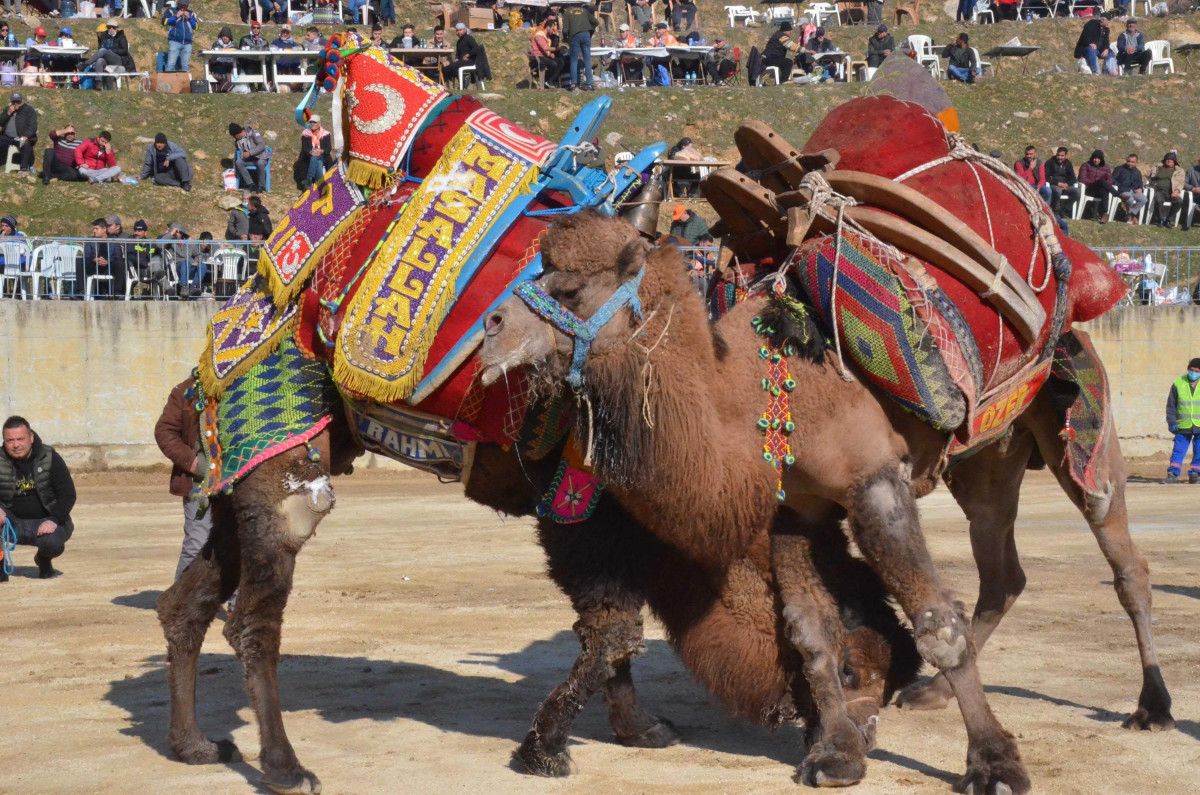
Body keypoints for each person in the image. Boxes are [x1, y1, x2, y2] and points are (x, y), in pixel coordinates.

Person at [0, 416, 77, 581]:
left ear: (31, 437)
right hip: (11, 523)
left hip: (45, 521)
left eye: (20, 439)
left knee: (53, 543)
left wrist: (54, 519)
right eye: (9, 440)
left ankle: (43, 560)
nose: (15, 445)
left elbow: (68, 494)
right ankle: (0, 566)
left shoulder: (49, 457)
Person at [155, 378, 211, 579]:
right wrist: (193, 463)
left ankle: (238, 607)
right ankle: (180, 605)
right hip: (199, 483)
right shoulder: (186, 391)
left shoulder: (249, 386)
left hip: (240, 483)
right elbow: (164, 431)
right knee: (197, 546)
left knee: (238, 546)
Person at [1165, 358, 1200, 483]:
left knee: (1199, 451)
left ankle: (1195, 474)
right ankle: (1173, 474)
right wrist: (1172, 422)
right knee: (1178, 450)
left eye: (1196, 371)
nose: (1193, 373)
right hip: (1182, 425)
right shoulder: (1178, 383)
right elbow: (1171, 405)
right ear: (1188, 369)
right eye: (1191, 370)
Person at [79, 217, 124, 298]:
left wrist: (108, 261)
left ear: (104, 229)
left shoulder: (114, 240)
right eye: (93, 229)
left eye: (96, 228)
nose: (94, 231)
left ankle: (117, 293)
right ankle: (81, 292)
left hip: (109, 267)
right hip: (94, 266)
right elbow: (87, 254)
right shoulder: (90, 241)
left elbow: (118, 256)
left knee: (120, 263)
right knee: (79, 261)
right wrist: (94, 259)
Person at [562, 0, 597, 91]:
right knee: (587, 60)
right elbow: (595, 22)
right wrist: (590, 32)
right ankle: (589, 84)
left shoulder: (567, 13)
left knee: (574, 60)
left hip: (575, 36)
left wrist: (565, 38)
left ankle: (574, 85)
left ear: (569, 4)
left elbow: (565, 30)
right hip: (586, 35)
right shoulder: (584, 11)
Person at [125, 219, 166, 295]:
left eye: (139, 231)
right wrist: (145, 263)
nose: (137, 233)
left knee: (157, 259)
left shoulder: (150, 243)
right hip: (139, 269)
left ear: (145, 233)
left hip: (151, 268)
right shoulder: (130, 241)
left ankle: (164, 285)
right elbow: (130, 256)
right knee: (157, 268)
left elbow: (159, 252)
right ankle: (166, 288)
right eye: (135, 230)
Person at [0, 92, 37, 173]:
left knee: (26, 144)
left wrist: (26, 136)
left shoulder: (29, 110)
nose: (16, 104)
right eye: (14, 102)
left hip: (21, 137)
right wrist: (8, 113)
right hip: (6, 137)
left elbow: (33, 126)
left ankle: (23, 168)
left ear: (22, 101)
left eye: (18, 102)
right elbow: (1, 122)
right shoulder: (8, 109)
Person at [445, 22, 489, 88]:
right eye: (457, 30)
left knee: (451, 67)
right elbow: (458, 53)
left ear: (465, 30)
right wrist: (457, 58)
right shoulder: (459, 41)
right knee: (450, 67)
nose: (458, 32)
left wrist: (468, 54)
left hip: (471, 60)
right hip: (462, 61)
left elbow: (476, 48)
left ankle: (463, 82)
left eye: (460, 30)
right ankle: (463, 81)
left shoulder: (469, 38)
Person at [1078, 149, 1117, 222]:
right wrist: (1095, 182)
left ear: (1101, 159)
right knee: (1101, 181)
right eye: (1094, 158)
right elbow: (1082, 179)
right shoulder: (1086, 165)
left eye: (1098, 158)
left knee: (1104, 189)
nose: (1096, 160)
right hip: (1089, 189)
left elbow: (1111, 179)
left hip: (1099, 190)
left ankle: (1105, 213)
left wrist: (1103, 183)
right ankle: (1116, 193)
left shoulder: (1106, 167)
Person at [229, 122, 269, 193]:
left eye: (235, 136)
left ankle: (261, 186)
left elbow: (262, 145)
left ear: (237, 134)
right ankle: (251, 184)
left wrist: (250, 153)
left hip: (261, 158)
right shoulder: (238, 141)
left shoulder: (253, 133)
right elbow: (238, 153)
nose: (235, 138)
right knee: (239, 162)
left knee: (260, 163)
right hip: (249, 160)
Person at [1147, 151, 1184, 227]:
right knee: (1159, 200)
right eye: (1167, 159)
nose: (1169, 161)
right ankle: (1160, 219)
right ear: (1164, 160)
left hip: (1172, 192)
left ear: (1175, 161)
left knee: (1179, 201)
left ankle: (1169, 219)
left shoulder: (1179, 171)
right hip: (1159, 190)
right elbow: (1149, 177)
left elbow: (1181, 183)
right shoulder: (1157, 168)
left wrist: (1177, 191)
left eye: (1171, 159)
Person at [297, 114, 332, 190]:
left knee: (316, 159)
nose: (312, 124)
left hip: (323, 156)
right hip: (310, 156)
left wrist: (321, 151)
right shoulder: (306, 134)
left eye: (314, 122)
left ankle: (309, 179)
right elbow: (305, 149)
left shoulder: (326, 134)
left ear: (319, 124)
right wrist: (311, 152)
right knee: (316, 160)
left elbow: (328, 148)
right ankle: (320, 184)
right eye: (310, 122)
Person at [1112, 152, 1148, 224]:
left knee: (1144, 199)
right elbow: (1112, 179)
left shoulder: (1137, 172)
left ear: (1136, 163)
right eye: (1129, 161)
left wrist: (1140, 188)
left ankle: (1131, 214)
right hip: (1123, 190)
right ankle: (1131, 217)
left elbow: (1140, 182)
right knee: (1130, 199)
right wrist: (1120, 186)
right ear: (1126, 160)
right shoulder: (1119, 169)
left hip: (1134, 191)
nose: (1130, 163)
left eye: (1132, 162)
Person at [1044, 146, 1079, 218]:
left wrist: (1067, 184)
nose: (1060, 157)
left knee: (1076, 192)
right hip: (1053, 185)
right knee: (1058, 191)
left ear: (1066, 156)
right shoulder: (1050, 162)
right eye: (1058, 155)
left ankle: (1064, 210)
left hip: (1065, 186)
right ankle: (1056, 211)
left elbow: (1073, 178)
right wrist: (1058, 183)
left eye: (1062, 156)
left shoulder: (1068, 163)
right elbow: (1046, 176)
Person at [165, 1, 198, 73]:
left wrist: (189, 18)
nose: (183, 8)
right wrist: (176, 16)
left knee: (185, 66)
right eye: (181, 5)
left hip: (187, 43)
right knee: (171, 64)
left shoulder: (191, 13)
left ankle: (183, 83)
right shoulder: (171, 10)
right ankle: (167, 82)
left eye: (185, 6)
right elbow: (164, 22)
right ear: (178, 4)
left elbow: (196, 27)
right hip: (174, 41)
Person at [529, 17, 561, 88]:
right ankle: (544, 80)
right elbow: (545, 48)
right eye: (552, 29)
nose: (553, 31)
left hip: (544, 56)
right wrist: (556, 49)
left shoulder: (547, 37)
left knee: (560, 62)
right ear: (548, 27)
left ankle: (550, 81)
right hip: (537, 57)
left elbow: (546, 50)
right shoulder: (539, 35)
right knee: (553, 64)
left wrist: (550, 54)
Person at [238, 20, 269, 87]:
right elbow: (241, 53)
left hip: (261, 62)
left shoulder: (265, 41)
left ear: (260, 29)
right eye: (254, 27)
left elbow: (267, 54)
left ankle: (262, 87)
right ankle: (251, 87)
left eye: (258, 28)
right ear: (251, 28)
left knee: (267, 68)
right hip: (249, 62)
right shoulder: (244, 39)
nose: (256, 29)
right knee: (250, 69)